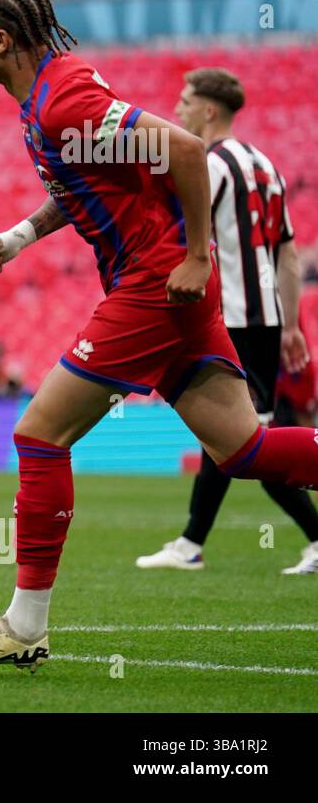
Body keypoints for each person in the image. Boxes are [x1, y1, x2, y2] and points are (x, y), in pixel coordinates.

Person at [0, 0, 318, 671]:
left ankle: (24, 625)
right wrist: (19, 237)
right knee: (244, 451)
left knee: (39, 434)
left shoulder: (63, 100)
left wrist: (197, 255)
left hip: (156, 284)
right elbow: (86, 185)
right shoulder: (46, 99)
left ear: (2, 38)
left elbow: (186, 152)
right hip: (162, 283)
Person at [137, 67, 318, 575]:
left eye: (186, 100)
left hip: (230, 318)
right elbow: (287, 254)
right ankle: (192, 541)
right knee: (235, 437)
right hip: (263, 318)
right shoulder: (266, 166)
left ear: (209, 110)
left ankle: (197, 544)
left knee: (245, 442)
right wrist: (290, 324)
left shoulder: (209, 166)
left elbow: (180, 236)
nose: (178, 109)